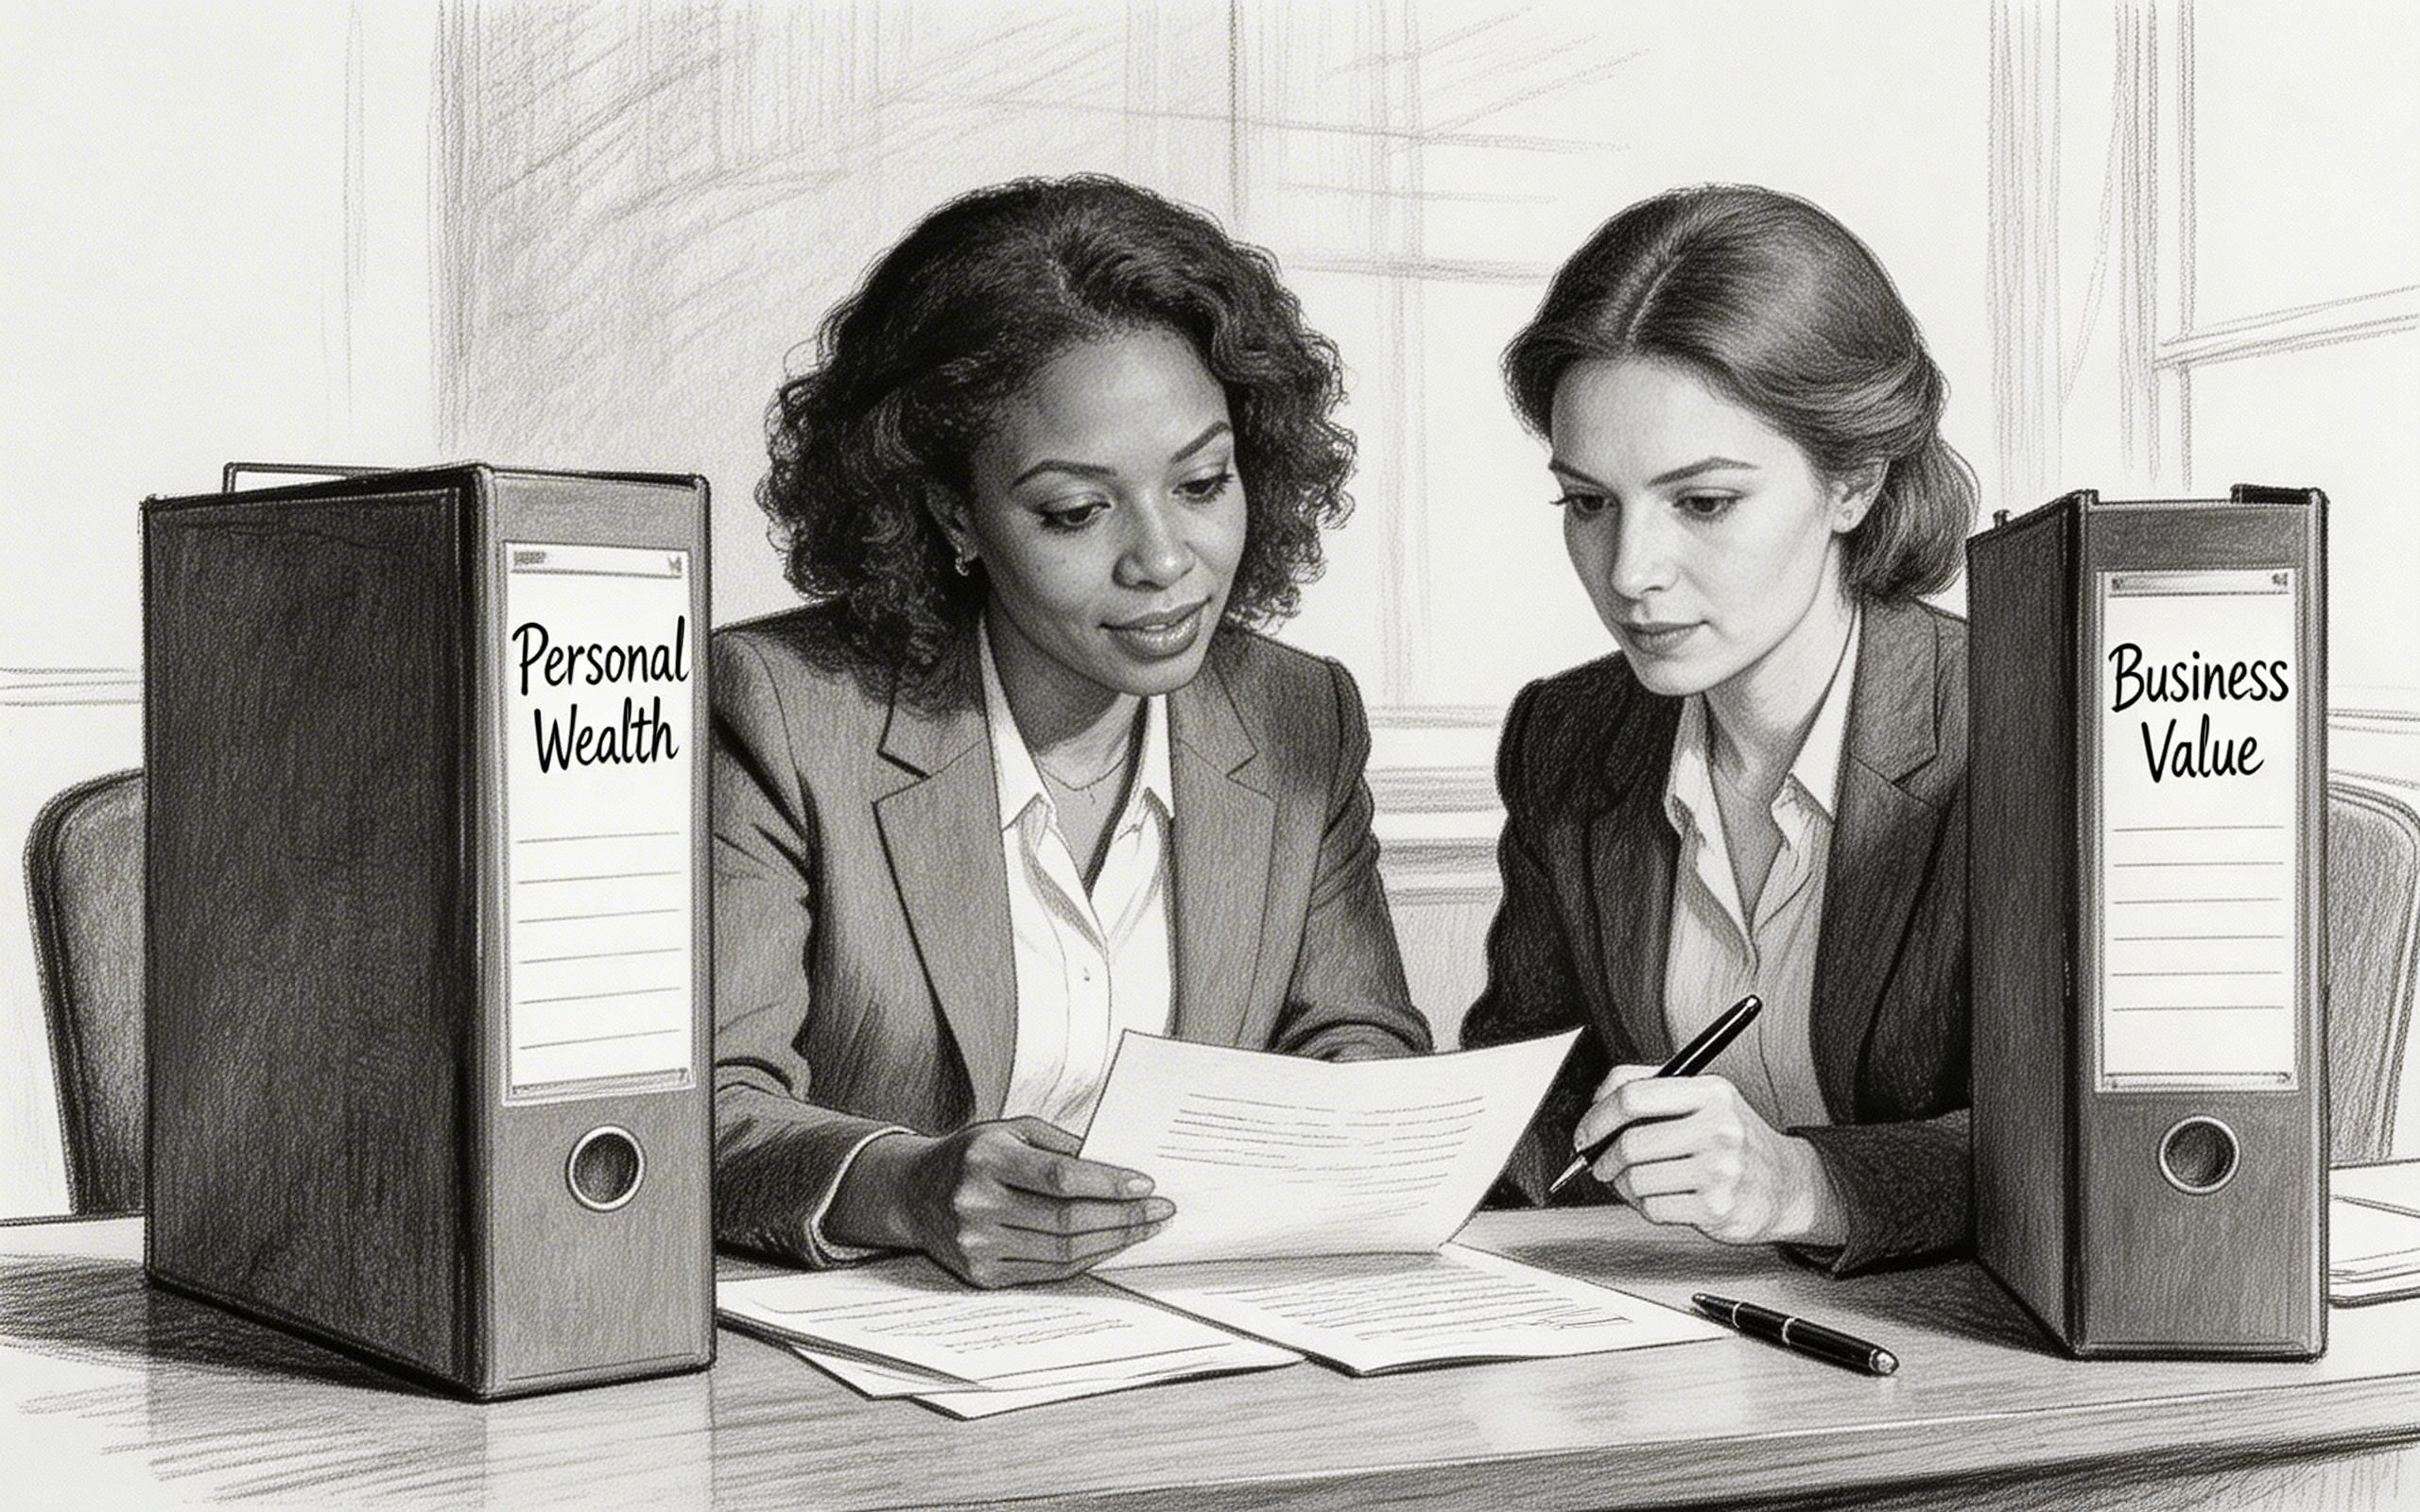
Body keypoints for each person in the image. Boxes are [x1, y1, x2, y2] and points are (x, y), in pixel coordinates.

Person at [714, 175, 1431, 1287]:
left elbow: (1360, 1042)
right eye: (1075, 511)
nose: (1161, 559)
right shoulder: (781, 708)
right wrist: (905, 1186)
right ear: (951, 510)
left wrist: (1350, 1113)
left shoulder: (1300, 715)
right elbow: (702, 1115)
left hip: (1210, 1346)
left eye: (1202, 481)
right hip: (882, 1378)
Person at [1461, 184, 1977, 1274]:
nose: (1629, 573)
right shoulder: (1568, 734)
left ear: (1851, 480)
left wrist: (1802, 1182)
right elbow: (1524, 1074)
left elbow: (2083, 1144)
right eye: (1589, 503)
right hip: (1679, 1334)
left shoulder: (2016, 730)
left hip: (1970, 1348)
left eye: (1701, 503)